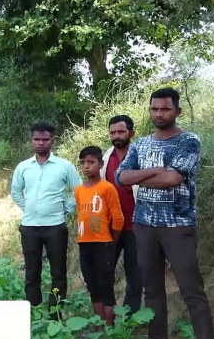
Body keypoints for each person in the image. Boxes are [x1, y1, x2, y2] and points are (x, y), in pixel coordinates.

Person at [115, 88, 214, 339]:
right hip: (144, 225)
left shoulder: (188, 141)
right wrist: (155, 171)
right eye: (154, 109)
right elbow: (120, 177)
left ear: (177, 111)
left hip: (178, 226)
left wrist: (142, 175)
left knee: (192, 290)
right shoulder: (140, 144)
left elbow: (174, 179)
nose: (159, 114)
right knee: (152, 289)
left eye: (165, 109)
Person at [10, 122, 82, 319]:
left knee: (58, 272)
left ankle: (55, 314)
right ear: (31, 141)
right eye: (37, 139)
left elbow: (78, 190)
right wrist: (29, 208)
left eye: (45, 139)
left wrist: (66, 209)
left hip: (55, 227)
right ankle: (34, 312)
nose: (41, 143)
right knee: (32, 271)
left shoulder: (64, 166)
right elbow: (15, 191)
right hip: (29, 227)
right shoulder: (23, 167)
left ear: (53, 140)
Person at [75, 146, 124, 327]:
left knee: (105, 284)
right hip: (84, 243)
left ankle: (109, 327)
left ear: (100, 164)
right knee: (92, 283)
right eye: (83, 163)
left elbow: (117, 218)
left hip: (103, 243)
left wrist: (111, 241)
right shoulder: (79, 190)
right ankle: (100, 324)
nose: (86, 166)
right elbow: (81, 214)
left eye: (91, 162)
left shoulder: (107, 188)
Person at [100, 115, 142, 316]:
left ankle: (129, 317)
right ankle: (106, 314)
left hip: (136, 226)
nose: (116, 136)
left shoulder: (142, 156)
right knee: (104, 270)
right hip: (111, 226)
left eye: (121, 131)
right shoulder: (106, 157)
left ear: (131, 133)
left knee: (134, 274)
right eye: (113, 132)